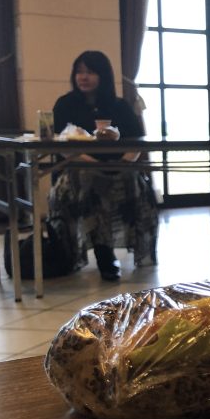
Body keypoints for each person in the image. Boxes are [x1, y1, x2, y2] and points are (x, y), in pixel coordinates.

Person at [49, 50, 158, 281]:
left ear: (103, 75)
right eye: (79, 72)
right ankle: (103, 253)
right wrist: (96, 165)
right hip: (79, 169)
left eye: (90, 72)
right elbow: (62, 146)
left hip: (118, 169)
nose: (83, 77)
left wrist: (124, 163)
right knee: (91, 180)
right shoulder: (65, 104)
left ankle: (141, 249)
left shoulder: (120, 106)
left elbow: (137, 143)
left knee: (135, 182)